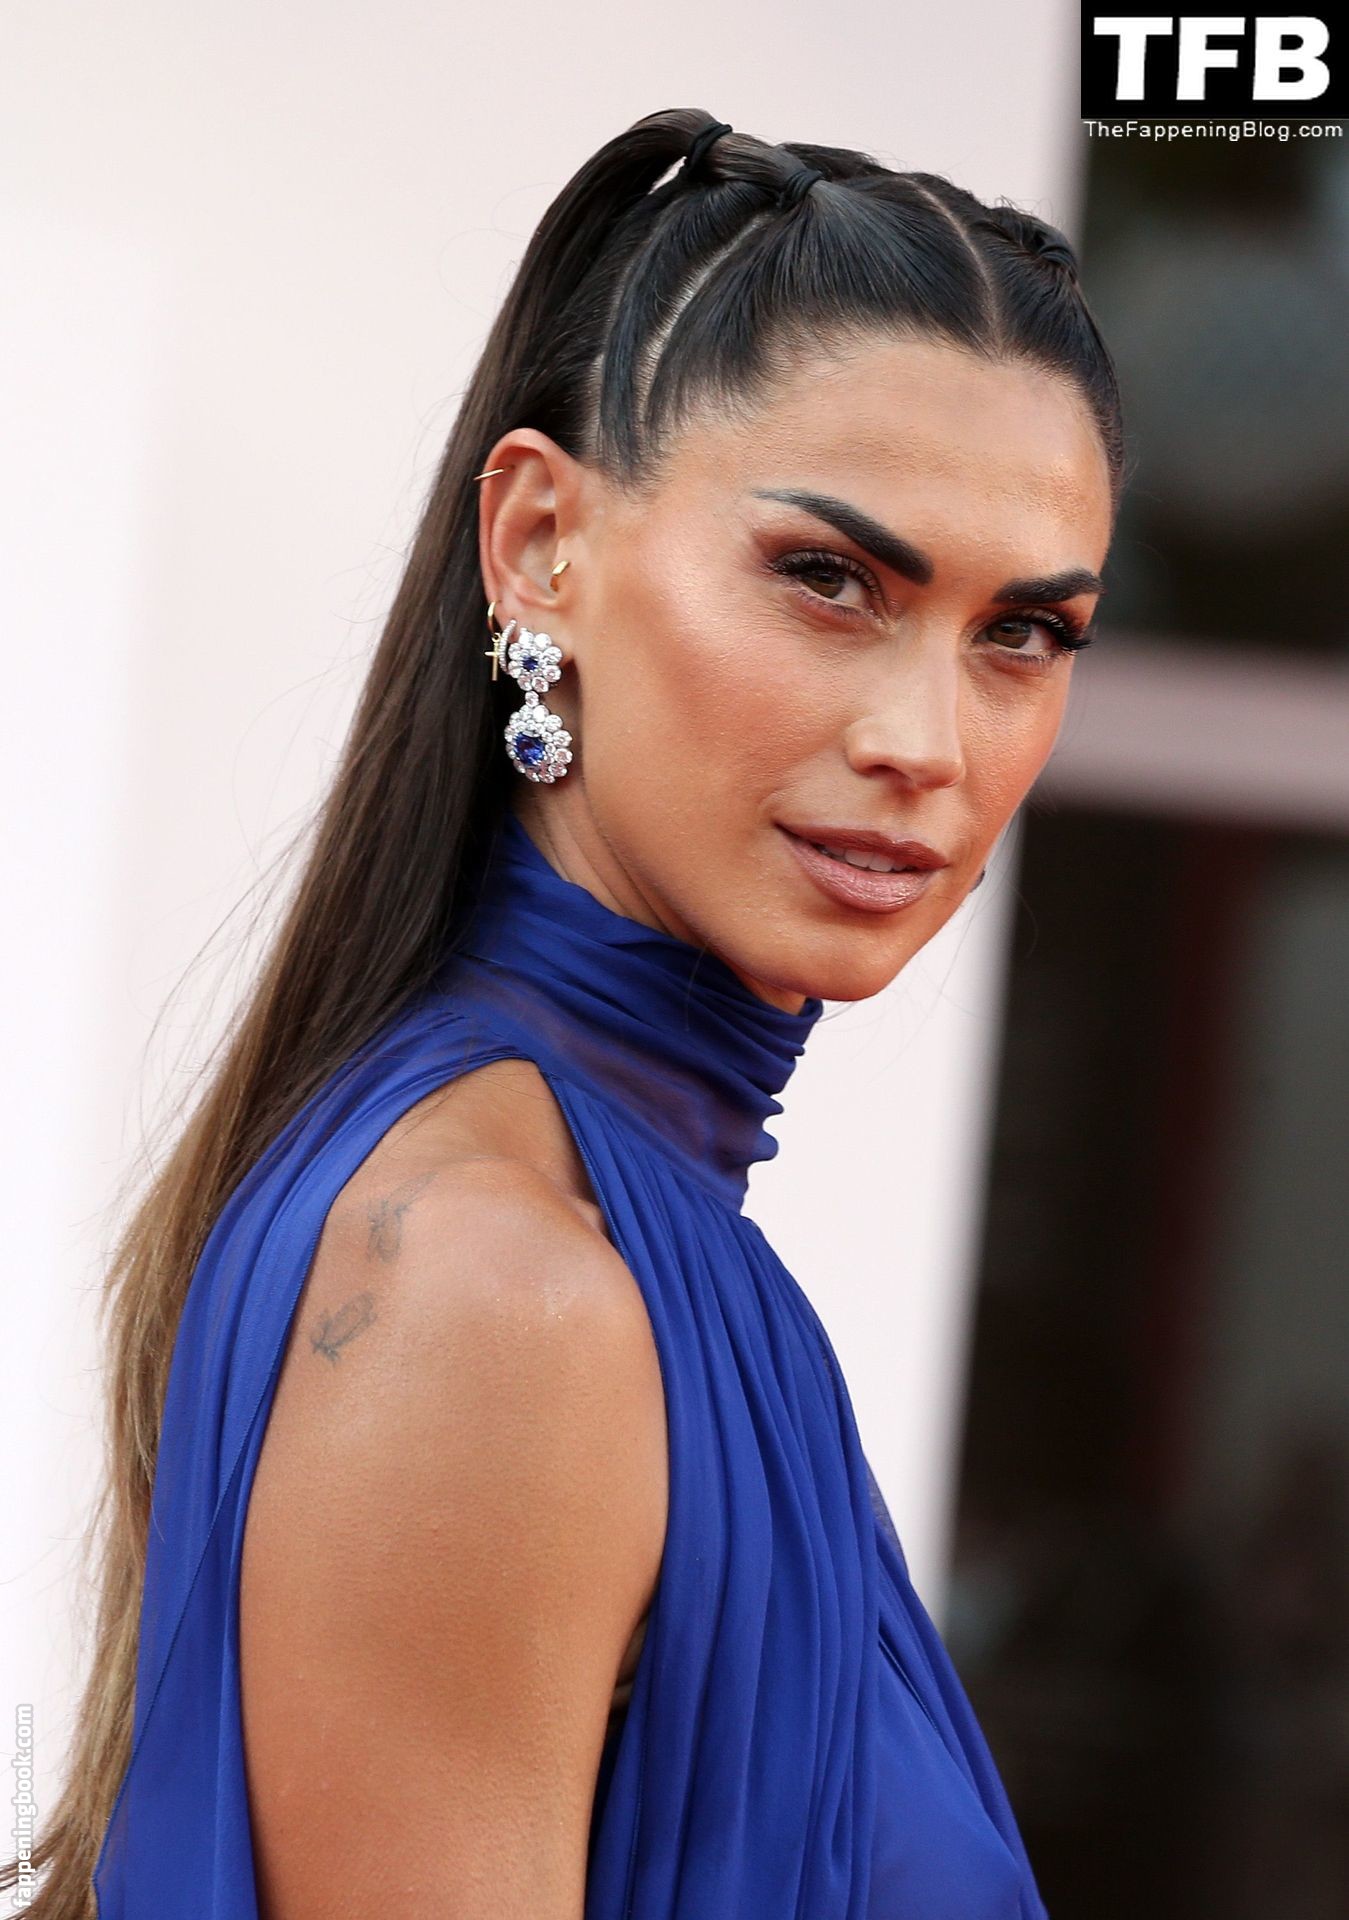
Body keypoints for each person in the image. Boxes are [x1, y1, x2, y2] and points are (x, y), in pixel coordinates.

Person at [8, 107, 1121, 1918]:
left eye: (1024, 634)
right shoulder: (494, 1285)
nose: (927, 741)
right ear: (539, 544)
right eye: (829, 580)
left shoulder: (598, 1235)